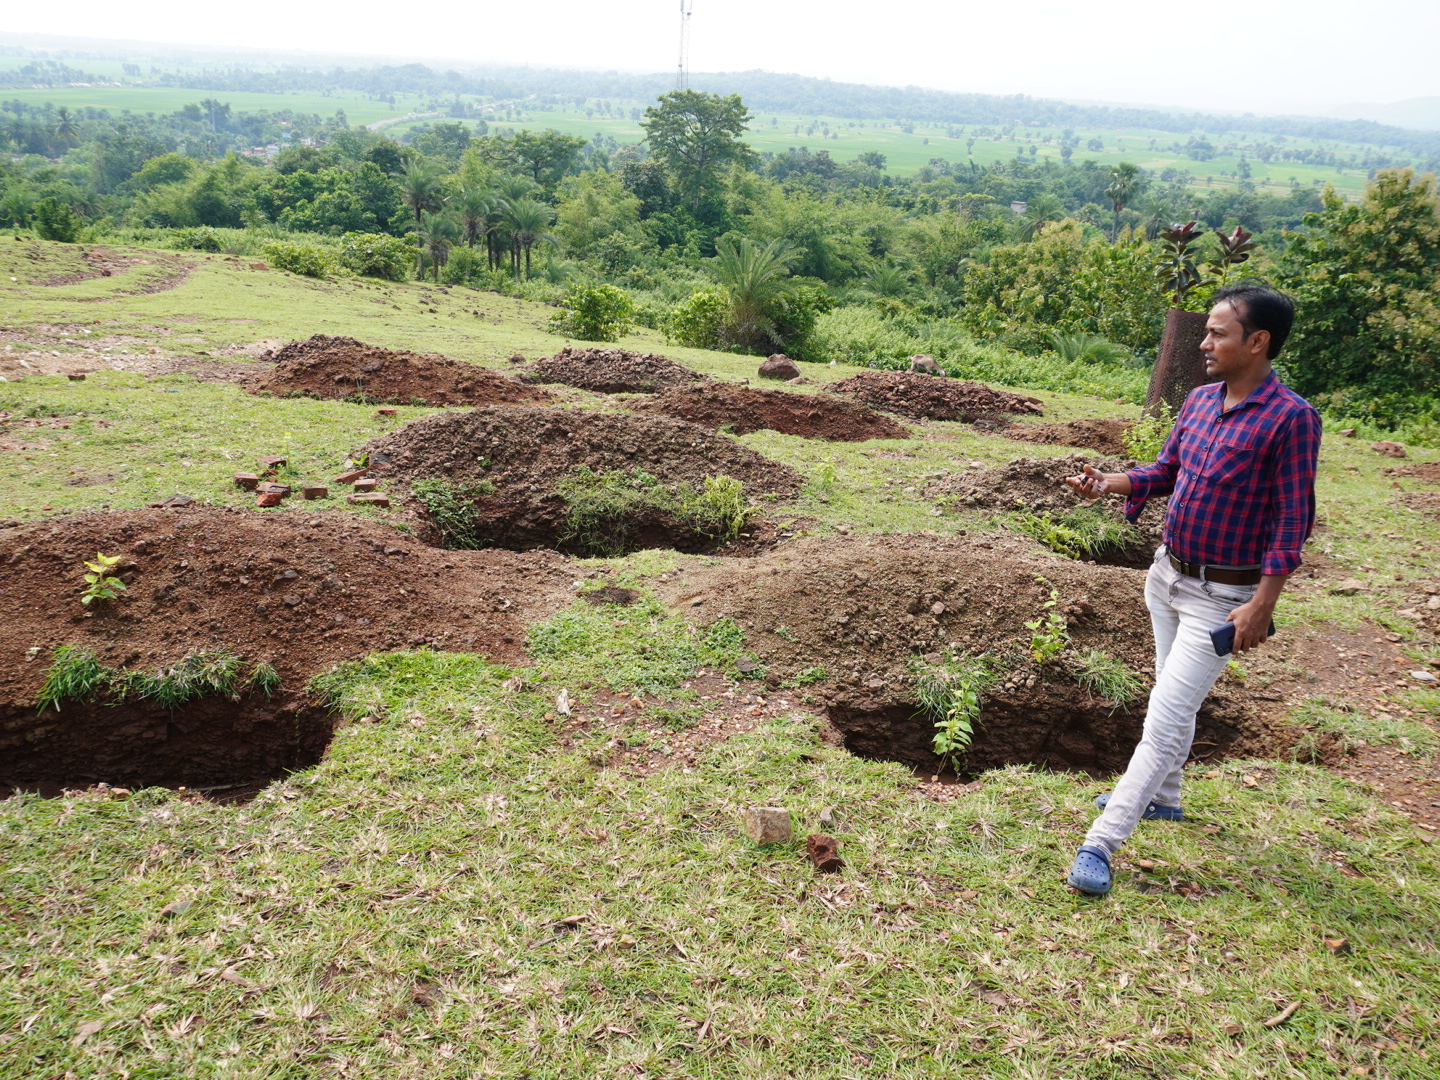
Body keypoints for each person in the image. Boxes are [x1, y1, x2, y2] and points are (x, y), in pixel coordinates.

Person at [1061, 283, 1321, 895]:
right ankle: (1167, 796)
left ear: (1257, 342)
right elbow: (1166, 470)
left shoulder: (1292, 419)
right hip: (1167, 575)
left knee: (1165, 714)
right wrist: (1111, 483)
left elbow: (1292, 519)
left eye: (1218, 334)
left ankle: (1102, 841)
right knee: (1169, 696)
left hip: (1223, 598)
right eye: (1206, 331)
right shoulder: (1202, 401)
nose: (1205, 343)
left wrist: (1263, 603)